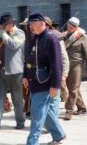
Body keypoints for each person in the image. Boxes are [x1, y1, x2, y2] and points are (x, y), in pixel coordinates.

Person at [23, 13, 66, 145]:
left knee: (36, 115)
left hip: (45, 82)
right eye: (30, 24)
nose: (30, 27)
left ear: (42, 23)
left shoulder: (51, 39)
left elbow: (56, 64)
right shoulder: (33, 38)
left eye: (33, 24)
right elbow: (28, 59)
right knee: (45, 112)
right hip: (34, 81)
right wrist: (25, 75)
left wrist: (55, 85)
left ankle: (32, 142)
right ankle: (59, 134)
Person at [0, 13, 26, 131]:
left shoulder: (19, 33)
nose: (1, 28)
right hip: (1, 70)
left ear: (11, 24)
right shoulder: (2, 35)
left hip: (15, 71)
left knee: (17, 98)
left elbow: (13, 45)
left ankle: (20, 121)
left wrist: (3, 35)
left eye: (3, 26)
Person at [63, 17, 87, 120]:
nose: (70, 27)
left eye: (73, 26)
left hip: (77, 65)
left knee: (73, 89)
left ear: (76, 27)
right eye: (69, 25)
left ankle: (69, 110)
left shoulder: (82, 37)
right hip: (66, 65)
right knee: (72, 87)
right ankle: (81, 107)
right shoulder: (64, 35)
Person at [44, 17, 70, 104]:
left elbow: (63, 56)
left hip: (57, 70)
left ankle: (69, 107)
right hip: (46, 71)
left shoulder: (56, 36)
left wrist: (64, 74)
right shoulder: (40, 36)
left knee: (63, 88)